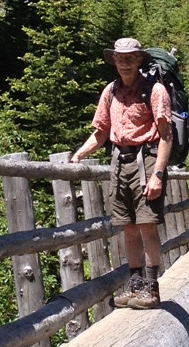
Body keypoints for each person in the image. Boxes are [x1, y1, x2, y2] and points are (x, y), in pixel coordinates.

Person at [71, 36, 172, 309]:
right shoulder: (110, 91)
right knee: (128, 227)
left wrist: (158, 175)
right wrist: (80, 154)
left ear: (139, 60)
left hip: (147, 160)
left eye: (130, 58)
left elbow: (166, 135)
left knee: (146, 225)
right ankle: (136, 285)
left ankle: (151, 289)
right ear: (113, 60)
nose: (125, 63)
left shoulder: (155, 90)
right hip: (119, 162)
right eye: (120, 58)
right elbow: (101, 132)